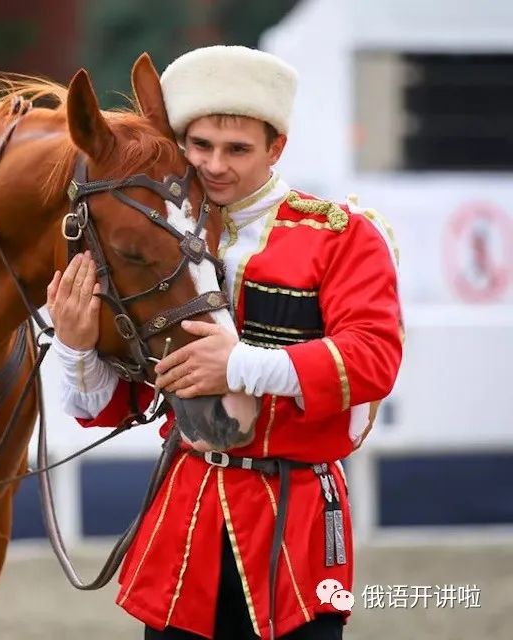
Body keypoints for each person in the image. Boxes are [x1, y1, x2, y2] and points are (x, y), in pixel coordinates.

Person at [47, 46, 402, 640]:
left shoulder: (342, 236)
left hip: (297, 520)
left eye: (236, 149)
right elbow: (110, 408)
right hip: (185, 517)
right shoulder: (160, 238)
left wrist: (239, 365)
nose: (214, 165)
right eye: (200, 146)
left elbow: (373, 361)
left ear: (276, 148)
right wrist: (78, 348)